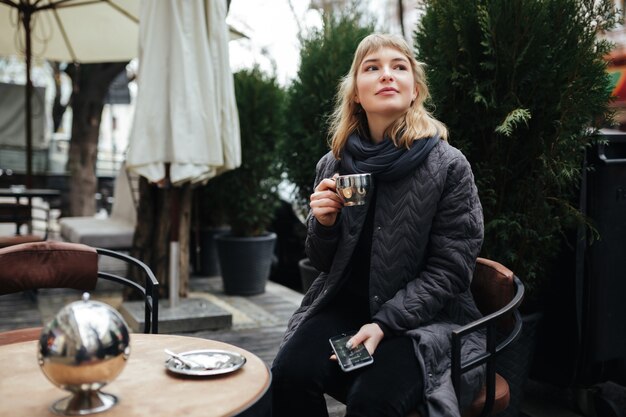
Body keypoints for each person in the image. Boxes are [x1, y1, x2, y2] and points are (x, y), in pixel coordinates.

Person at [271, 33, 485, 417]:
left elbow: (452, 269)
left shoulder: (449, 166)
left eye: (398, 67)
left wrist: (385, 323)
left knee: (373, 402)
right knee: (289, 374)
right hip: (346, 306)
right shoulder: (332, 164)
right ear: (355, 92)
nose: (386, 75)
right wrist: (324, 223)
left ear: (415, 89)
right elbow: (322, 261)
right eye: (372, 68)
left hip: (422, 321)